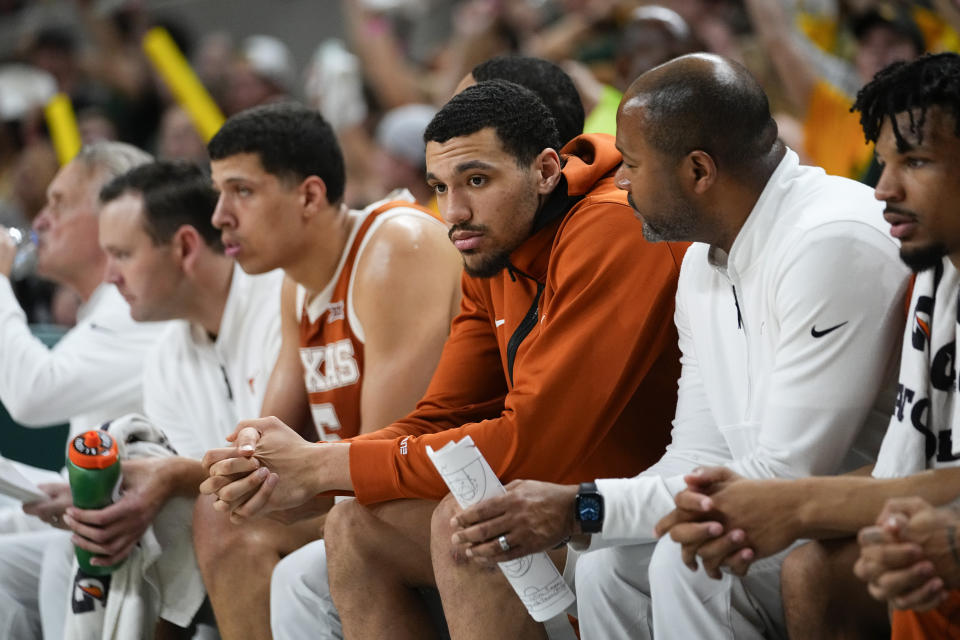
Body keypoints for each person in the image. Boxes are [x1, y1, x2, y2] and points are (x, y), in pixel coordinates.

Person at [202, 79, 686, 640]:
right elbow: (440, 415)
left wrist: (323, 466)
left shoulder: (610, 229)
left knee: (466, 523)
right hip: (558, 507)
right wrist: (305, 476)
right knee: (353, 523)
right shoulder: (489, 248)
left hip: (630, 510)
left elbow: (532, 443)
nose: (453, 212)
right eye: (438, 186)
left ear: (547, 170)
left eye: (476, 180)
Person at [448, 53, 909, 640]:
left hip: (853, 524)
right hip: (773, 517)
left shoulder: (830, 240)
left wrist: (585, 507)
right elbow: (695, 453)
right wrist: (590, 514)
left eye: (633, 164)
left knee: (684, 562)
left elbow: (788, 475)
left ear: (698, 171)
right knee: (606, 566)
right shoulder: (700, 261)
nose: (619, 180)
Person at [655, 52, 960, 640]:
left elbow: (798, 471)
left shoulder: (833, 238)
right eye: (886, 161)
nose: (885, 188)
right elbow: (910, 468)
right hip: (915, 524)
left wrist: (799, 505)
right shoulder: (935, 278)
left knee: (811, 568)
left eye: (916, 162)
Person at [195, 101, 462, 640]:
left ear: (310, 196)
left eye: (242, 191)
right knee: (221, 515)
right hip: (368, 499)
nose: (220, 214)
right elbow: (262, 439)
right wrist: (241, 478)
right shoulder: (297, 285)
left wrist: (280, 487)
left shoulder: (394, 247)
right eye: (220, 191)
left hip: (440, 498)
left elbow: (386, 466)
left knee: (308, 546)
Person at [22, 160, 284, 638]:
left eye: (121, 254)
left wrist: (171, 476)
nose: (111, 277)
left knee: (190, 525)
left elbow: (278, 473)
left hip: (310, 515)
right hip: (230, 533)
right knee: (109, 535)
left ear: (184, 246)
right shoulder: (166, 356)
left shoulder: (277, 303)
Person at [0, 142, 163, 638]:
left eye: (60, 203)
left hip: (150, 534)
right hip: (102, 520)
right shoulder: (108, 309)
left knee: (57, 554)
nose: (42, 221)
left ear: (113, 216)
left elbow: (31, 394)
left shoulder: (134, 310)